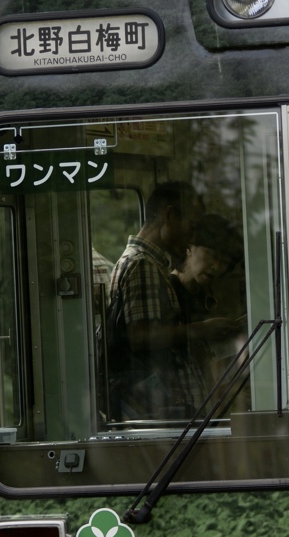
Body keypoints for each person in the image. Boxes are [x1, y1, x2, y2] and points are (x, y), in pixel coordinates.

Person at [107, 181, 201, 422]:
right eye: (190, 227)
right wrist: (201, 331)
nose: (191, 238)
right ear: (168, 215)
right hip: (165, 410)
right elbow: (141, 337)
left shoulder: (139, 262)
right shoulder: (143, 265)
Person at [170, 214, 245, 399]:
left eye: (224, 262)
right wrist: (203, 330)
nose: (216, 266)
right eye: (211, 255)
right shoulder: (168, 290)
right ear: (189, 248)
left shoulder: (206, 295)